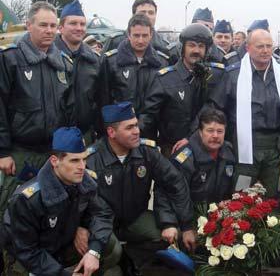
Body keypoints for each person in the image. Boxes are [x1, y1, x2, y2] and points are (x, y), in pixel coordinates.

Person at [86, 102, 195, 272]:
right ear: (111, 132)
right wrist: (81, 227)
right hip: (104, 225)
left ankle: (135, 261)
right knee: (112, 254)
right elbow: (81, 202)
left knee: (172, 235)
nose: (137, 131)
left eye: (136, 125)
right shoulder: (91, 159)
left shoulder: (146, 151)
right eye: (129, 127)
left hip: (135, 217)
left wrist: (174, 223)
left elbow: (174, 182)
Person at [1, 127, 121, 276]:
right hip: (27, 259)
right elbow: (27, 251)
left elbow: (102, 213)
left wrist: (93, 251)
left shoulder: (85, 182)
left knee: (111, 247)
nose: (82, 167)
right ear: (54, 161)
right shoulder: (27, 199)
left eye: (84, 159)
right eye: (75, 160)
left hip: (60, 245)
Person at [0, 1, 74, 222]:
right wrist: (2, 151)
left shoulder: (62, 63)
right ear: (28, 25)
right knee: (11, 209)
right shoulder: (9, 59)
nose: (49, 31)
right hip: (20, 151)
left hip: (51, 151)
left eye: (53, 26)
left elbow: (68, 109)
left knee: (48, 209)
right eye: (43, 25)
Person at [208, 28, 280, 198]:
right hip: (244, 145)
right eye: (260, 46)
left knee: (274, 194)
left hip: (276, 145)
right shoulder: (233, 75)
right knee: (240, 194)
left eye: (269, 46)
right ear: (248, 48)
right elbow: (216, 110)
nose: (265, 51)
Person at [154, 23, 225, 157]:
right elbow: (151, 117)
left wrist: (191, 137)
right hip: (173, 148)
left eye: (201, 46)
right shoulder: (165, 79)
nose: (196, 50)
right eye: (191, 45)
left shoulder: (216, 76)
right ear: (182, 48)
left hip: (206, 147)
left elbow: (214, 108)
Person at [100, 13, 168, 139]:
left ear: (151, 35)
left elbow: (161, 102)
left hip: (150, 132)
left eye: (145, 35)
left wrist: (142, 125)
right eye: (136, 35)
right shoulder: (110, 61)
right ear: (128, 35)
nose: (140, 40)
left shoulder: (162, 63)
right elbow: (103, 99)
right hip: (119, 132)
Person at [54, 0, 101, 142]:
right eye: (73, 23)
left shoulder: (94, 60)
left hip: (84, 135)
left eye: (82, 24)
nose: (79, 28)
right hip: (52, 137)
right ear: (61, 27)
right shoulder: (47, 56)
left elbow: (100, 99)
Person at [171, 108, 235, 205]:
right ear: (200, 132)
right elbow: (175, 197)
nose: (215, 135)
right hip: (192, 215)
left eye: (220, 131)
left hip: (219, 214)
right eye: (210, 131)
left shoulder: (229, 152)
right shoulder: (185, 158)